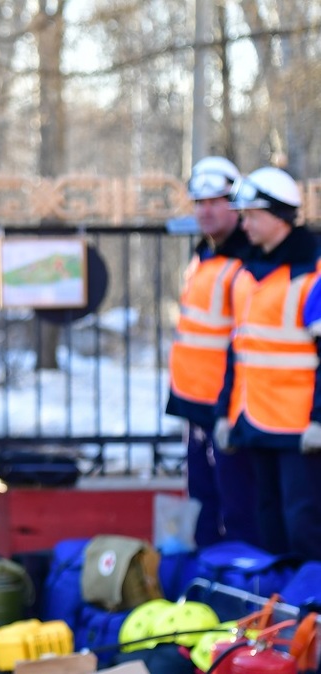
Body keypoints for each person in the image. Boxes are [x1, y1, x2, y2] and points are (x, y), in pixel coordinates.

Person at [214, 166, 321, 561]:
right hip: (253, 419)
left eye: (252, 216)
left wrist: (319, 420)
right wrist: (225, 411)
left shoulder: (313, 273)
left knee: (304, 522)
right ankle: (274, 605)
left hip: (300, 429)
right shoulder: (246, 273)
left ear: (279, 217)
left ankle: (310, 609)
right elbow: (237, 349)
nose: (245, 225)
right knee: (266, 519)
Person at [165, 156, 259, 549]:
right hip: (195, 404)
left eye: (215, 202)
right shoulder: (204, 254)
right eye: (199, 203)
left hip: (227, 406)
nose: (205, 210)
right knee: (202, 503)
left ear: (235, 205)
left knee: (237, 508)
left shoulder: (247, 260)